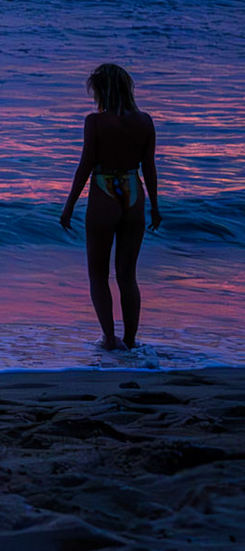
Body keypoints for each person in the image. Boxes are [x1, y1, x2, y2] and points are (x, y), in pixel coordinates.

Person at [59, 63, 160, 351]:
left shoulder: (95, 122)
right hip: (133, 192)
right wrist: (155, 206)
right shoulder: (145, 122)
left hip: (104, 190)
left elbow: (85, 166)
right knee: (128, 275)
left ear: (102, 91)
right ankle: (130, 340)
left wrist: (68, 207)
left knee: (98, 274)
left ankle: (109, 339)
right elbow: (149, 168)